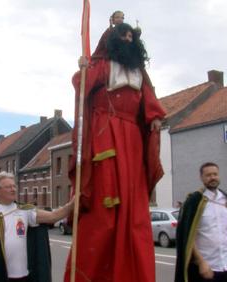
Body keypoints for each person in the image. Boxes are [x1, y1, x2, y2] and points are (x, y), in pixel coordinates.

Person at [64, 22, 165, 282]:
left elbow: (150, 100)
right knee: (105, 205)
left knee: (132, 207)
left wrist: (154, 117)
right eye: (124, 35)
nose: (129, 39)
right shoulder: (103, 65)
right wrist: (83, 68)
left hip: (131, 138)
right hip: (104, 132)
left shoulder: (139, 73)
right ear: (112, 40)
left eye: (132, 35)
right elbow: (81, 85)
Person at [0, 171, 74, 282]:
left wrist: (71, 205)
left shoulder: (24, 210)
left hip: (23, 275)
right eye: (8, 187)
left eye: (14, 186)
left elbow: (53, 216)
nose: (13, 189)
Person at [174, 162, 227, 282]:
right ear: (201, 178)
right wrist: (201, 262)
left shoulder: (226, 199)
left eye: (215, 174)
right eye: (208, 175)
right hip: (208, 267)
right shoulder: (194, 202)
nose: (212, 177)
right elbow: (188, 237)